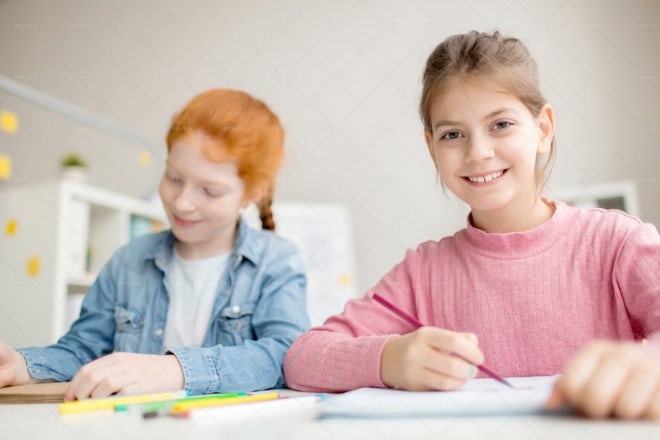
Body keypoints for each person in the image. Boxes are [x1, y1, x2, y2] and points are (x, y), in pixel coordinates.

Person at [283, 30, 660, 419]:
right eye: (453, 134)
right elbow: (303, 358)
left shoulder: (617, 243)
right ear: (432, 148)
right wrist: (388, 359)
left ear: (543, 129)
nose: (478, 152)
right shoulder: (423, 273)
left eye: (500, 125)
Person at [0, 89, 310, 400]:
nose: (183, 202)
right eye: (174, 178)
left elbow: (287, 355)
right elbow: (82, 350)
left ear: (252, 193)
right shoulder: (129, 260)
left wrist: (173, 370)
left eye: (210, 191)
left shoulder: (276, 261)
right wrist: (22, 365)